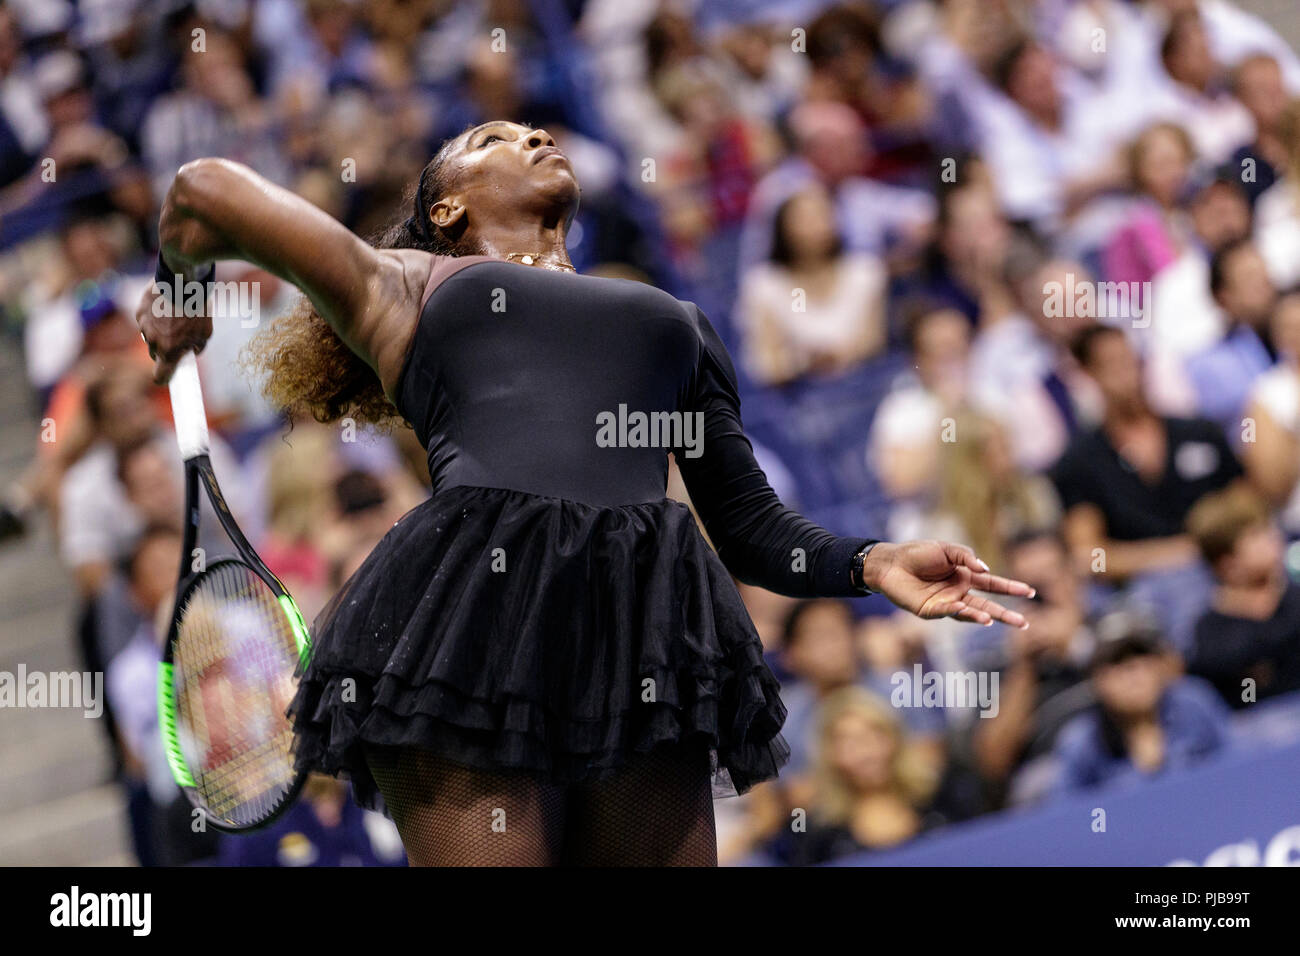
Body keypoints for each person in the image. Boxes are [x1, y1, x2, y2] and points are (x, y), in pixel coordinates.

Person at [136, 122, 1032, 868]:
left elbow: (752, 528)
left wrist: (873, 561)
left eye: (533, 128)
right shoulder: (401, 287)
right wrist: (180, 289)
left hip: (644, 631)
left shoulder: (679, 327)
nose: (532, 132)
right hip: (469, 628)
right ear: (445, 208)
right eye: (492, 138)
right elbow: (201, 189)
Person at [1051, 613, 1230, 795]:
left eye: (1141, 656)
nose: (1133, 673)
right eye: (1117, 662)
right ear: (1096, 679)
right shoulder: (1082, 742)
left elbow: (1235, 765)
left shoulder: (1194, 703)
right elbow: (1067, 814)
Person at [1185, 485, 1300, 709]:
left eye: (1269, 529)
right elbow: (1229, 672)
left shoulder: (1294, 596)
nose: (1274, 539)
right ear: (1228, 564)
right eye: (1257, 535)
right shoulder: (1211, 632)